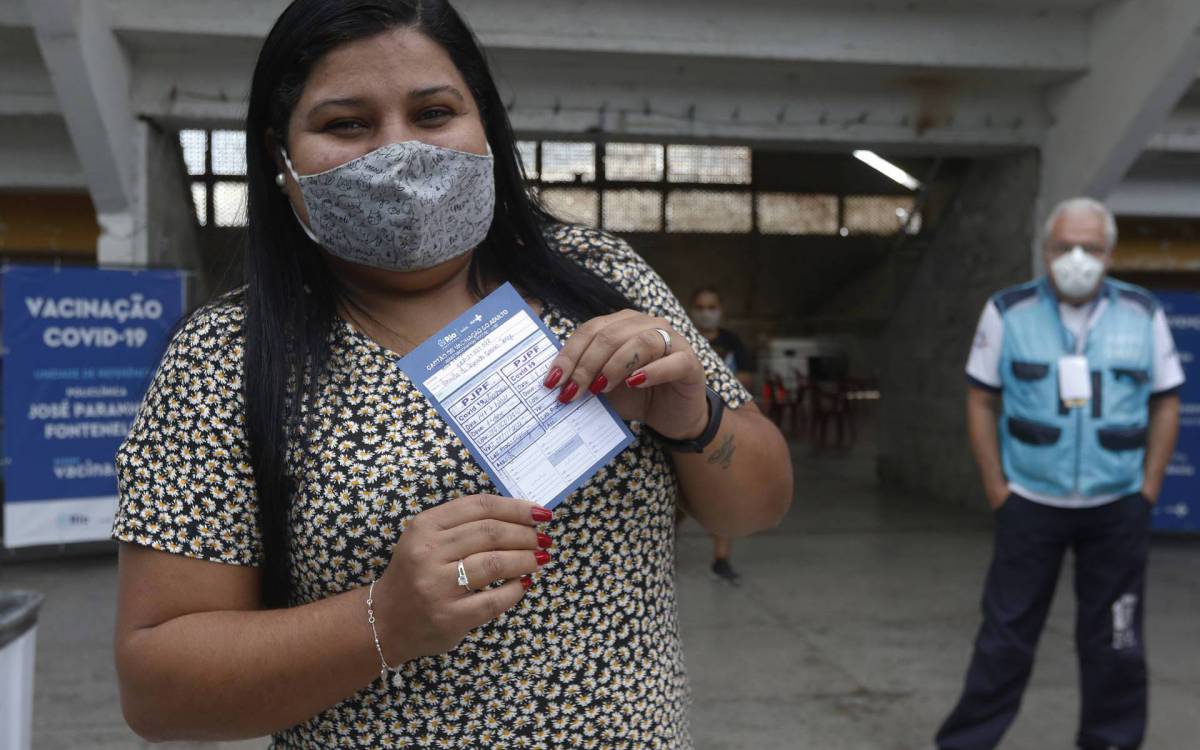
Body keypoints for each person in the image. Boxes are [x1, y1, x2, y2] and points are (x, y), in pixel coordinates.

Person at [109, 2, 793, 748]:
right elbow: (157, 689)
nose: (399, 152)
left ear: (485, 126)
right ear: (282, 158)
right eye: (347, 124)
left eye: (434, 113)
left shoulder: (599, 278)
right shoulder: (228, 356)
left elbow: (756, 508)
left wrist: (695, 422)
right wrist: (383, 619)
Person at [935, 198, 1183, 750]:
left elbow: (1167, 401)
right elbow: (980, 399)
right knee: (1005, 638)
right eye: (1064, 246)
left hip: (1117, 505)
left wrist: (1147, 489)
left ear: (1110, 253)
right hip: (1030, 504)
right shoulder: (1008, 311)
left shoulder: (1143, 313)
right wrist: (998, 489)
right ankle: (966, 743)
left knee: (1115, 640)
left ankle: (1111, 740)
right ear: (1045, 251)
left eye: (1091, 248)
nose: (1077, 258)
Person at [690, 287, 755, 586]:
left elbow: (747, 376)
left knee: (723, 496)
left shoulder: (732, 342)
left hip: (723, 428)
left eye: (712, 306)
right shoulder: (683, 337)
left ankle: (721, 559)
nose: (707, 311)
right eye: (701, 306)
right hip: (685, 429)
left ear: (721, 310)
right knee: (678, 499)